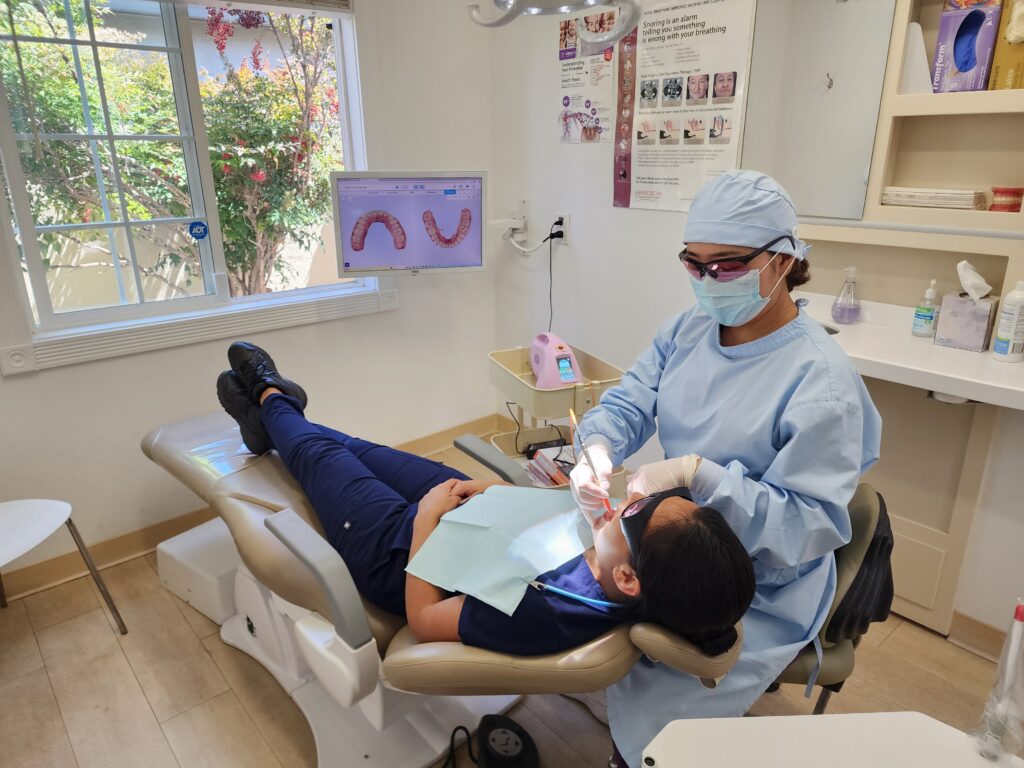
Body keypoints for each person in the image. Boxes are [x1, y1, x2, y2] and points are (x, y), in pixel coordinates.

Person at [569, 170, 882, 767]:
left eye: (729, 265)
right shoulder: (688, 330)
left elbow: (809, 524)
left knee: (659, 710)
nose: (710, 281)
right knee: (570, 605)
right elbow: (631, 400)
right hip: (673, 540)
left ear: (784, 261)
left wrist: (702, 476)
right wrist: (600, 448)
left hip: (757, 580)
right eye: (695, 263)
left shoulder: (820, 381)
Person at [215, 342, 756, 659]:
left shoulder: (547, 612)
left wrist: (426, 521)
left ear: (630, 580)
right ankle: (271, 423)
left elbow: (424, 620)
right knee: (352, 447)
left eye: (631, 511)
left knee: (314, 453)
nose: (624, 502)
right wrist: (504, 495)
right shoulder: (630, 567)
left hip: (402, 551)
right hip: (472, 508)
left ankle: (269, 395)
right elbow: (556, 530)